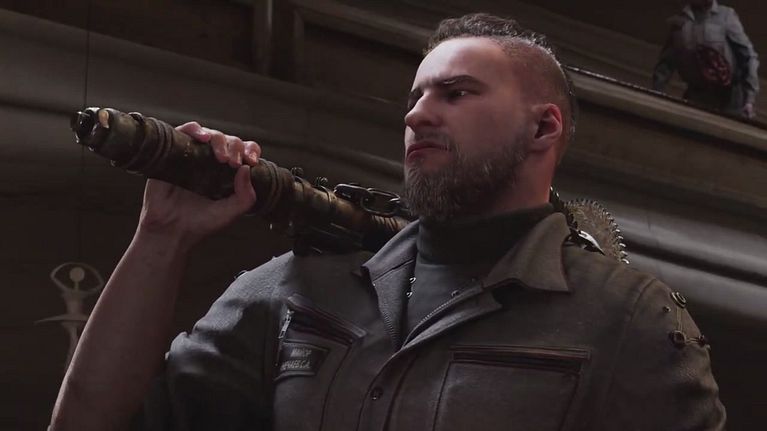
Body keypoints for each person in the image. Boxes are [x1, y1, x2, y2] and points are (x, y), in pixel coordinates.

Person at [50, 13, 726, 430]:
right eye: (415, 97)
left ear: (542, 128)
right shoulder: (296, 290)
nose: (417, 115)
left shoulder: (625, 317)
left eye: (455, 93)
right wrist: (161, 237)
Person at [652, 0, 759, 119]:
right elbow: (666, 62)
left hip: (730, 100)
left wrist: (749, 98)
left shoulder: (726, 15)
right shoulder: (679, 22)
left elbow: (748, 56)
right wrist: (657, 93)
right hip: (697, 97)